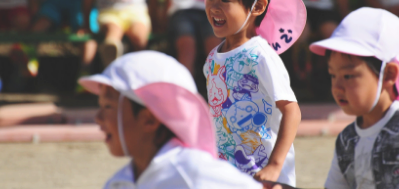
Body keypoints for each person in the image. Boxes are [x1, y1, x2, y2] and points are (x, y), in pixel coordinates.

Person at [78, 51, 264, 189]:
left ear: (149, 120)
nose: (98, 118)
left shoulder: (193, 171)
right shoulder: (119, 183)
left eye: (108, 107)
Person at [201, 0, 306, 186]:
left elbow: (292, 111)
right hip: (229, 176)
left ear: (257, 6)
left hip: (266, 175)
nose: (214, 7)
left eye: (225, 1)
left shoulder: (260, 55)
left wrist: (275, 166)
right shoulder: (212, 59)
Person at [309, 7, 399, 188]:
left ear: (388, 75)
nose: (337, 87)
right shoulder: (346, 140)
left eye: (348, 76)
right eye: (332, 75)